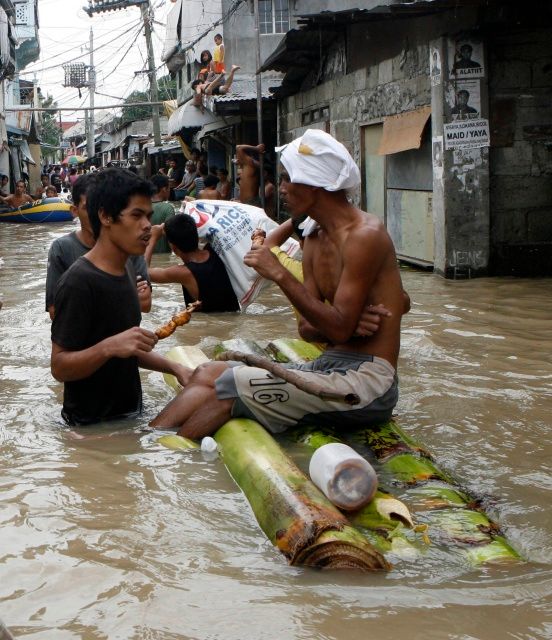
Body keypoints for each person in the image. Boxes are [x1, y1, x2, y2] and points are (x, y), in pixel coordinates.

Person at [149, 129, 405, 438]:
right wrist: (342, 323)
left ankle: (170, 449)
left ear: (314, 183)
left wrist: (281, 275)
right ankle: (149, 443)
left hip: (367, 382)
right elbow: (308, 330)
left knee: (230, 387)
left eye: (287, 179)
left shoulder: (365, 236)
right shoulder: (313, 237)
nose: (279, 188)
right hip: (327, 365)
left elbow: (339, 328)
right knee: (207, 372)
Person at [50, 168, 189, 426]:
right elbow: (59, 367)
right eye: (136, 215)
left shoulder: (127, 269)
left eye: (148, 216)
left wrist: (177, 368)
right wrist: (108, 347)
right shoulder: (79, 281)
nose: (147, 225)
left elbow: (127, 347)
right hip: (91, 429)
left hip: (130, 415)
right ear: (105, 216)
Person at [45, 172, 152, 320]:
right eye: (89, 208)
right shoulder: (63, 250)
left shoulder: (129, 245)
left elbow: (145, 303)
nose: (95, 215)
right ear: (75, 211)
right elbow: (56, 312)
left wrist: (90, 301)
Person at [145, 214, 240, 313]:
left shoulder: (183, 273)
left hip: (207, 326)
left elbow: (143, 272)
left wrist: (153, 238)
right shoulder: (215, 250)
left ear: (174, 248)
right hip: (234, 319)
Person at [149, 174, 175, 253]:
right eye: (169, 189)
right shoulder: (168, 208)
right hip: (163, 256)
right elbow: (172, 236)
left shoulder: (141, 206)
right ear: (164, 189)